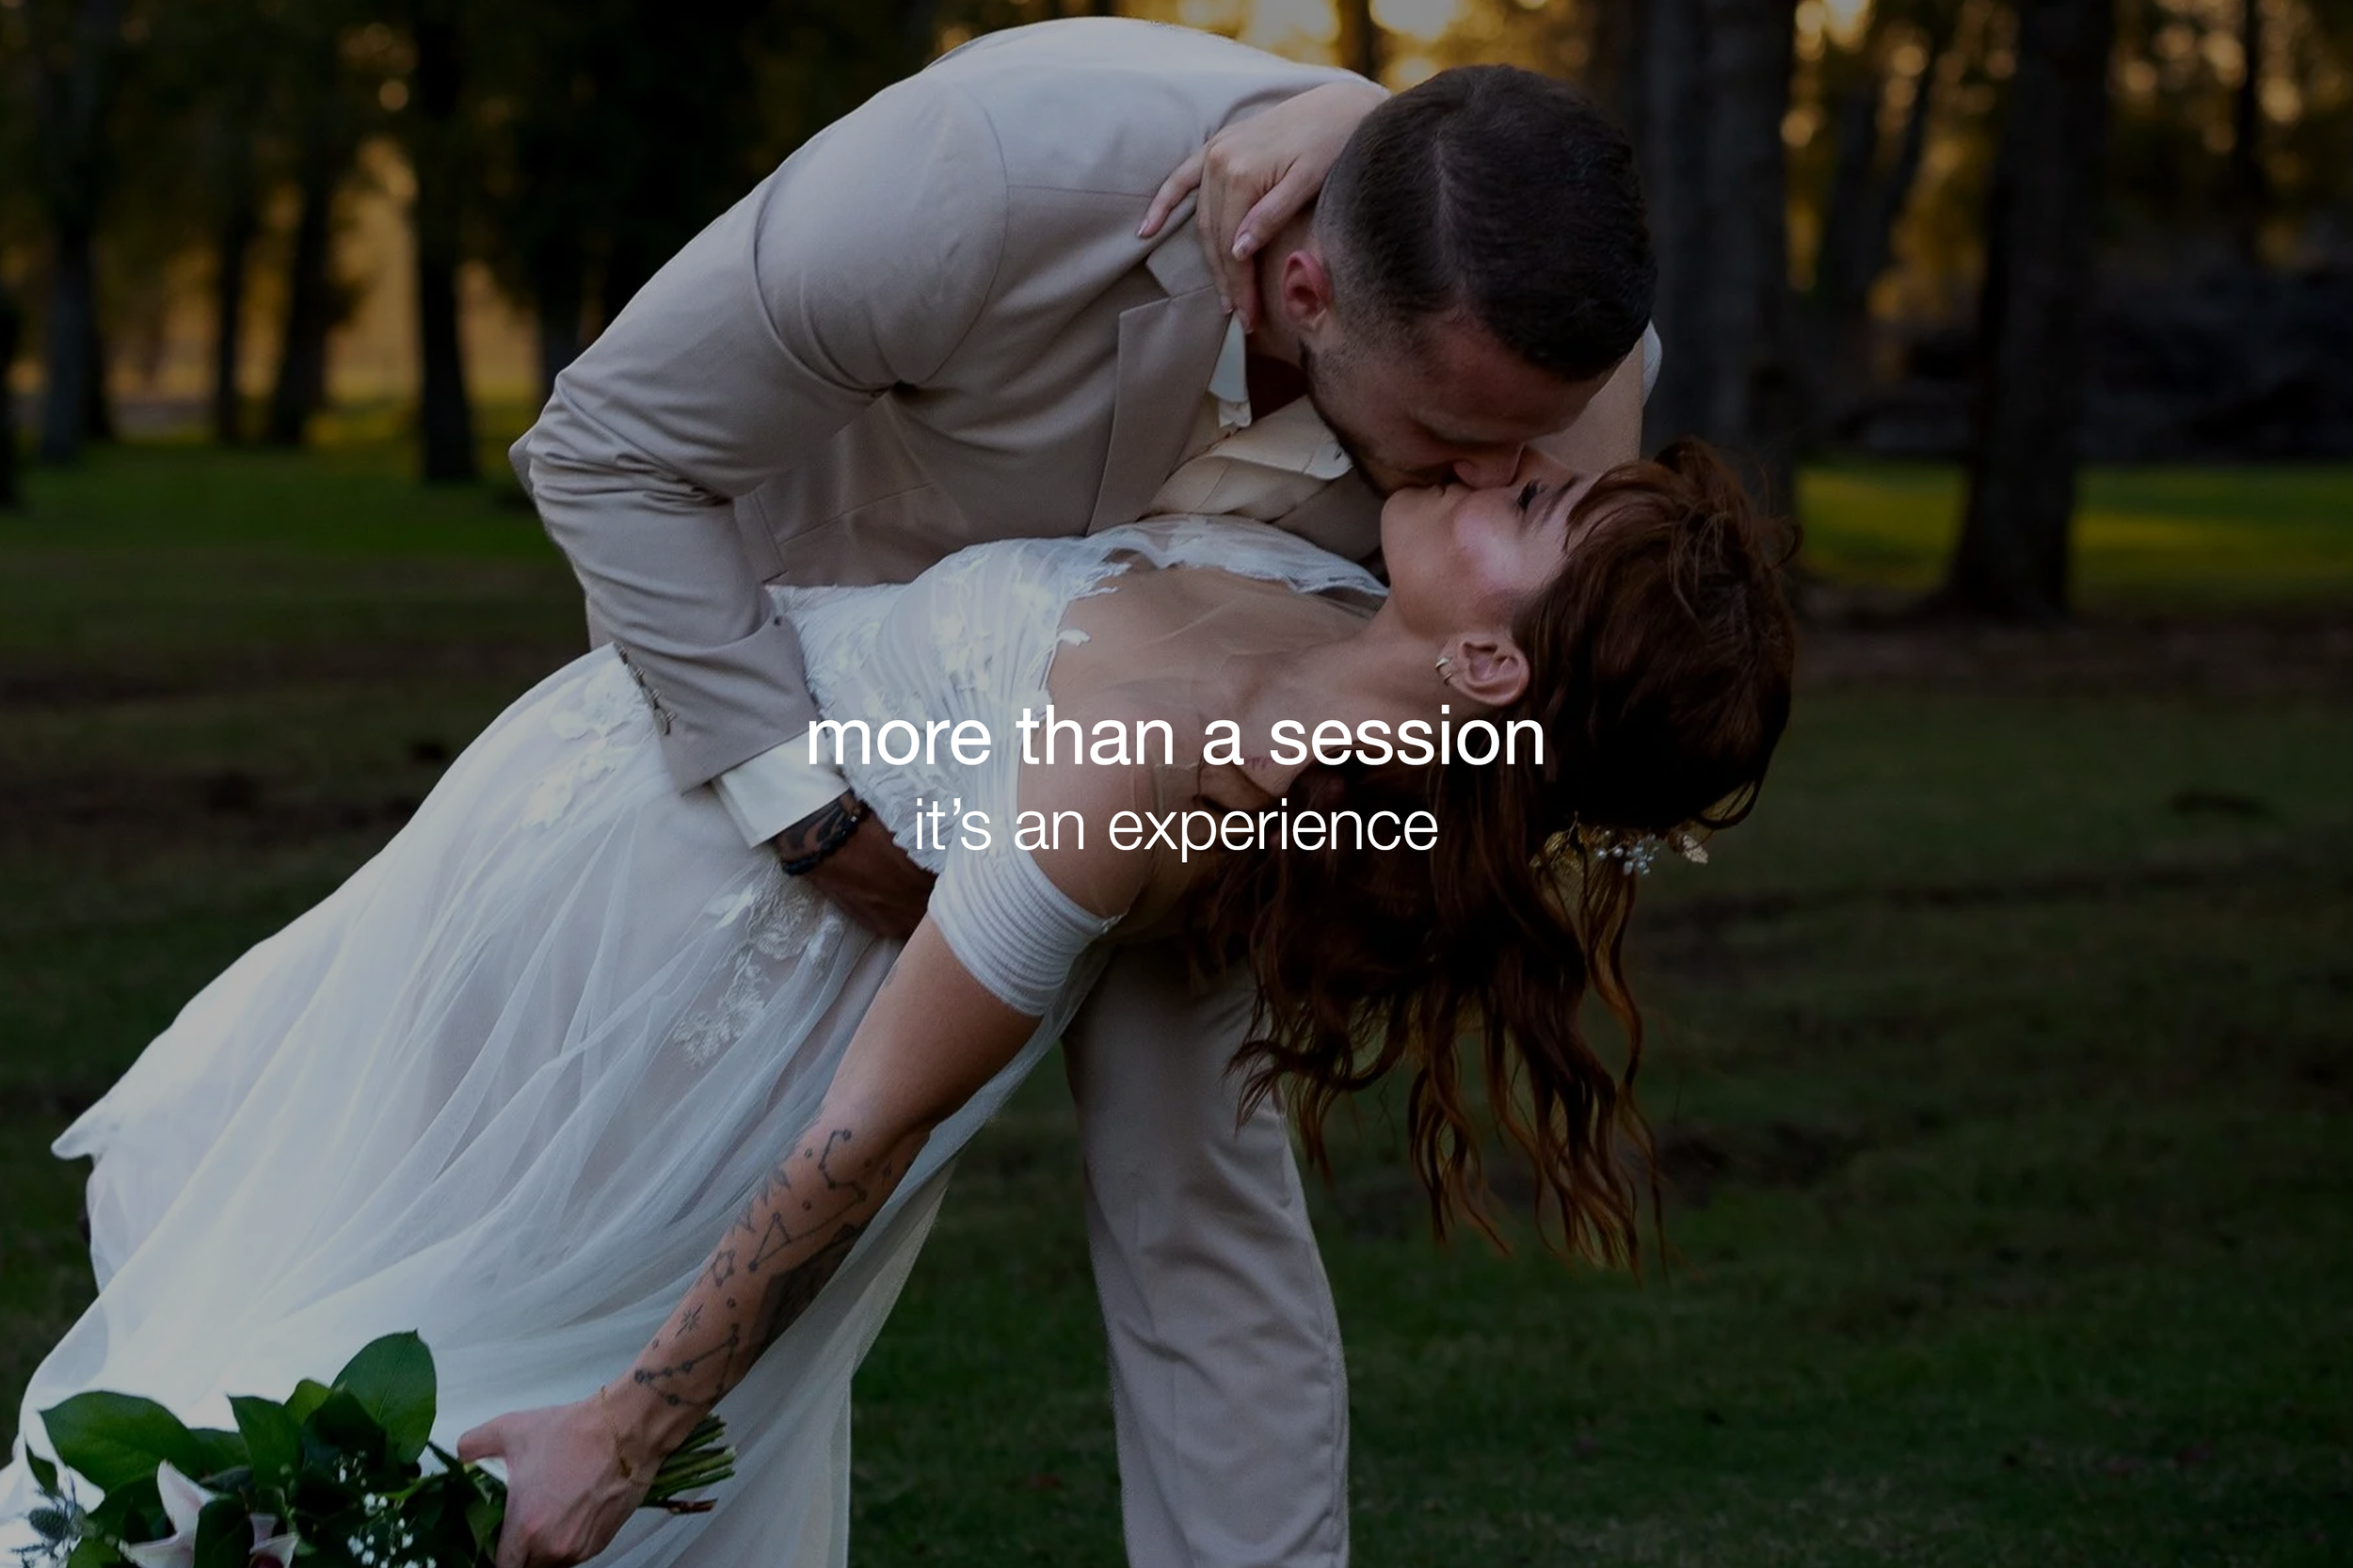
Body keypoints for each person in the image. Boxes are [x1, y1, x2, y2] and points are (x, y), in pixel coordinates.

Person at [1, 443, 1797, 1568]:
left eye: (1535, 507)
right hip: (596, 815)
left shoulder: (1156, 770)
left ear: (1490, 663)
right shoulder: (1357, 633)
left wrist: (629, 1432)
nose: (1510, 461)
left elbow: (872, 1128)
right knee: (281, 1209)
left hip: (674, 970)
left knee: (354, 1354)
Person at [503, 18, 1659, 1563]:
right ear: (1306, 290)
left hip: (1196, 778)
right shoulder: (970, 185)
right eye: (1455, 442)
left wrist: (1304, 823)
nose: (1502, 472)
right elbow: (605, 448)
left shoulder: (1550, 359)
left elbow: (1529, 701)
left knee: (1207, 1190)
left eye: (1528, 454)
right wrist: (809, 807)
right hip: (802, 713)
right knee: (638, 1188)